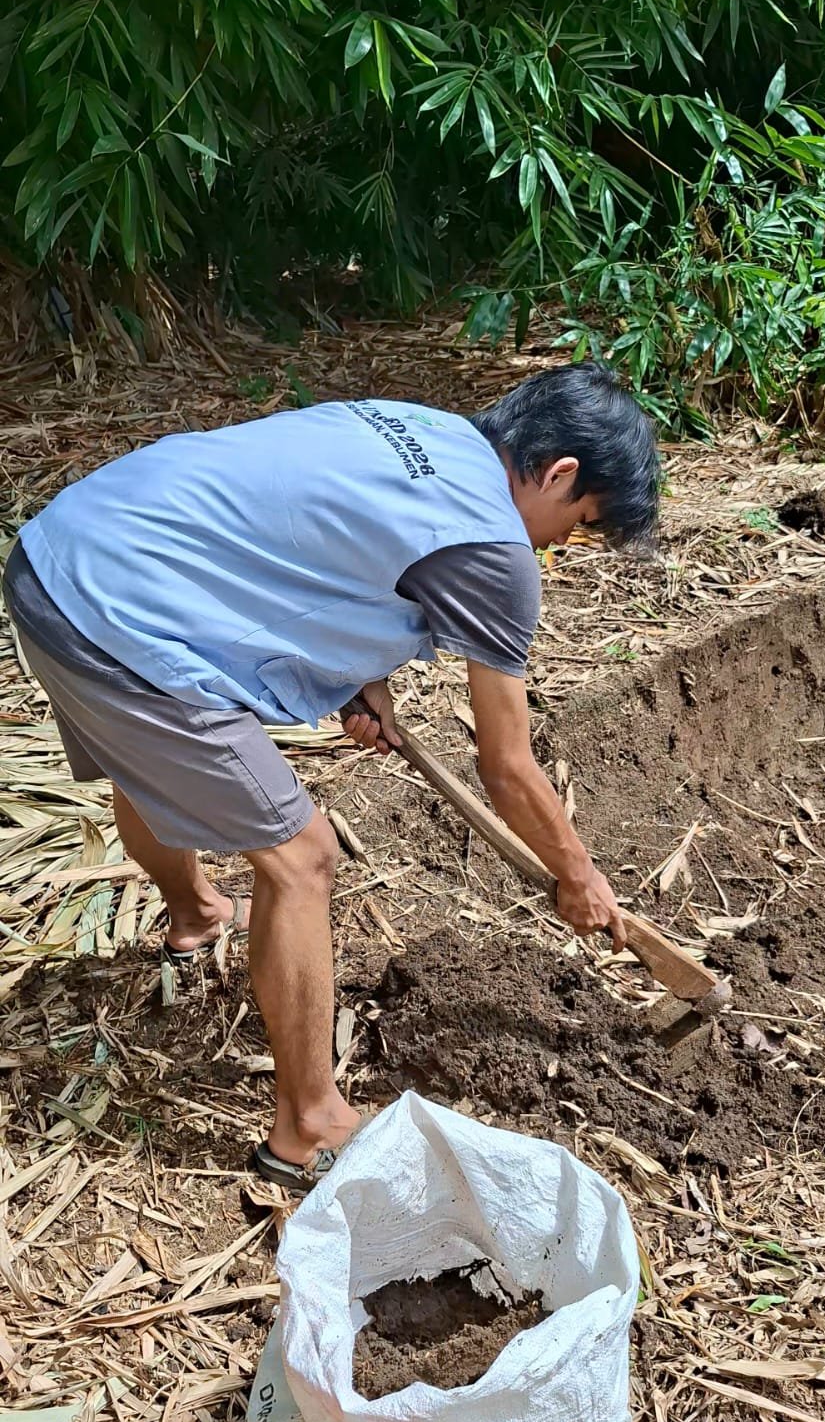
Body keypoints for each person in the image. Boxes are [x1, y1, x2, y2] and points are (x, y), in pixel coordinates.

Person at [2, 362, 658, 1189]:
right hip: (118, 618)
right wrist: (577, 874)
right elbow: (508, 763)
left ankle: (196, 913)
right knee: (302, 856)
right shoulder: (496, 549)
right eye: (581, 520)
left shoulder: (418, 428)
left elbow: (314, 541)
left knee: (146, 766)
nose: (562, 544)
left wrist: (358, 674)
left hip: (59, 558)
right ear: (558, 473)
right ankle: (308, 1125)